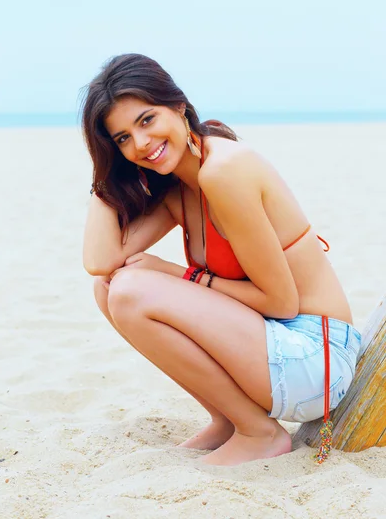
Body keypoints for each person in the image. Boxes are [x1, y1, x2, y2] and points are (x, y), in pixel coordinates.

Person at [81, 53, 361, 466]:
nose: (141, 144)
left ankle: (258, 432)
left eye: (146, 121)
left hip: (316, 357)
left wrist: (179, 273)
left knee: (130, 291)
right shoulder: (180, 189)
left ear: (178, 106)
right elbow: (101, 261)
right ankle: (229, 420)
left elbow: (281, 302)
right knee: (108, 289)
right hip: (276, 349)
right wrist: (104, 173)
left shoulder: (223, 170)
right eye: (121, 138)